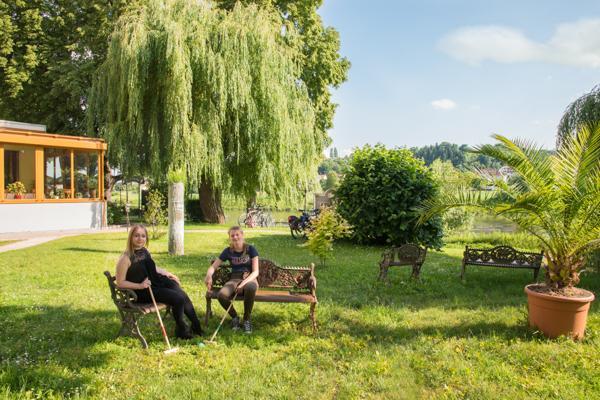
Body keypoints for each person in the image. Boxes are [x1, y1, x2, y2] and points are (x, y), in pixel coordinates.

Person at [115, 224, 203, 339]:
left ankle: (196, 325)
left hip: (154, 281)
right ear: (131, 237)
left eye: (143, 236)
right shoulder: (125, 258)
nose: (140, 239)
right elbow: (120, 282)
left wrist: (167, 273)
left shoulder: (144, 251)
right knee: (178, 298)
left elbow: (152, 268)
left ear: (146, 238)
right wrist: (140, 285)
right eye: (136, 236)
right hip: (142, 291)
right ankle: (182, 330)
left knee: (178, 290)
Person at [205, 226, 259, 334]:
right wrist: (209, 275)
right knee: (221, 295)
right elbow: (214, 266)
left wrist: (243, 283)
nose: (235, 237)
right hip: (234, 278)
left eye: (237, 234)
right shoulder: (228, 251)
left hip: (249, 278)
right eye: (232, 235)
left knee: (251, 287)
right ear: (229, 237)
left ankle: (247, 319)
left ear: (242, 235)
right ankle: (234, 317)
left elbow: (256, 272)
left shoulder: (250, 249)